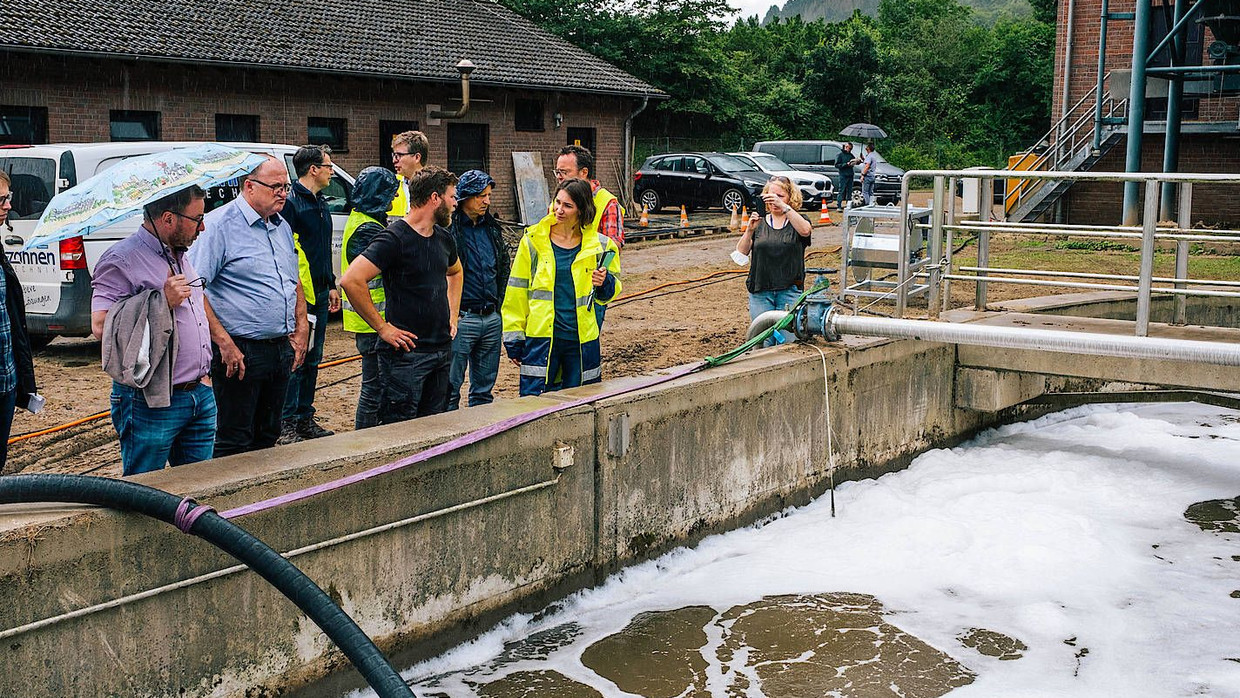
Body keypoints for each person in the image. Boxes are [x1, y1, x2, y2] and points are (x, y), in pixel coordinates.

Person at [90, 185, 216, 475]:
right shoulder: (120, 259)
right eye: (197, 219)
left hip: (198, 393)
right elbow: (101, 326)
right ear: (169, 219)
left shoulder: (179, 253)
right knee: (146, 492)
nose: (203, 227)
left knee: (201, 491)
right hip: (150, 400)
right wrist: (162, 302)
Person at [188, 157, 309, 457]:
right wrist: (224, 343)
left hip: (279, 348)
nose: (283, 193)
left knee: (269, 433)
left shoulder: (280, 225)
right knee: (233, 438)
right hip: (239, 351)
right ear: (249, 186)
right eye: (276, 186)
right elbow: (194, 290)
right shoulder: (219, 226)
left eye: (286, 186)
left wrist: (302, 324)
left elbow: (292, 278)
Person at [340, 166, 463, 424]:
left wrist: (453, 315)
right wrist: (383, 329)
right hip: (405, 356)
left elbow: (455, 272)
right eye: (452, 196)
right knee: (400, 429)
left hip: (440, 350)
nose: (455, 203)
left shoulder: (443, 238)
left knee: (435, 427)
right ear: (434, 198)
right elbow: (351, 280)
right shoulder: (394, 239)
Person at [502, 178, 621, 397]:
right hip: (542, 339)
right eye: (557, 202)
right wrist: (514, 339)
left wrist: (605, 283)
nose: (559, 210)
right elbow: (516, 293)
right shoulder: (533, 241)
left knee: (581, 402)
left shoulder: (601, 246)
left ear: (582, 210)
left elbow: (610, 294)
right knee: (535, 405)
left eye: (567, 206)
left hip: (581, 340)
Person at [279, 145, 340, 443]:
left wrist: (330, 284)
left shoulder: (321, 203)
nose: (331, 170)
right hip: (300, 295)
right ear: (313, 169)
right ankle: (286, 421)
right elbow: (288, 253)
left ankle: (305, 417)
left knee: (314, 358)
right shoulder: (292, 205)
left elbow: (321, 250)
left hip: (319, 289)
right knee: (297, 357)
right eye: (328, 165)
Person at [446, 170, 511, 410]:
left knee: (484, 391)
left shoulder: (492, 229)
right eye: (480, 196)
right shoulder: (450, 230)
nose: (487, 201)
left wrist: (498, 307)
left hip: (491, 318)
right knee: (450, 388)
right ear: (465, 197)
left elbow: (503, 267)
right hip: (463, 318)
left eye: (488, 195)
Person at [340, 167, 400, 429]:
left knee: (376, 386)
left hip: (372, 322)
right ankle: (364, 436)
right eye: (390, 195)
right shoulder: (367, 229)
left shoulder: (364, 220)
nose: (392, 201)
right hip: (373, 323)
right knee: (374, 389)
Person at [735, 175, 813, 347]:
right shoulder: (760, 222)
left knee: (788, 341)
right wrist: (749, 231)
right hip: (761, 289)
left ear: (790, 198)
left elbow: (806, 231)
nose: (775, 201)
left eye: (780, 196)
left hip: (789, 289)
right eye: (771, 196)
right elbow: (741, 253)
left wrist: (785, 208)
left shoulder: (799, 220)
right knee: (762, 340)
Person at [553, 145, 624, 328]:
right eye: (557, 172)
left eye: (564, 172)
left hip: (589, 291)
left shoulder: (606, 203)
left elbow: (612, 250)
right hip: (560, 289)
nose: (559, 177)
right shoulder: (557, 202)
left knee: (585, 346)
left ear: (584, 172)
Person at [0, 171, 39, 469]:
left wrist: (23, 382)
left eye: (8, 198)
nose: (8, 207)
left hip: (6, 381)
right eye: (1, 200)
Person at [389, 130, 429, 218]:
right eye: (394, 155)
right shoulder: (389, 185)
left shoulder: (436, 187)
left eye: (399, 155)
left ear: (417, 157)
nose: (394, 160)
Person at [834, 143, 860, 211]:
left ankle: (848, 205)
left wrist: (858, 161)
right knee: (841, 190)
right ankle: (839, 205)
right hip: (843, 175)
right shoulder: (840, 155)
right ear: (846, 147)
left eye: (851, 149)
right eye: (849, 148)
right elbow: (837, 165)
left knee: (849, 191)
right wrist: (846, 164)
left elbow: (855, 161)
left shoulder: (851, 155)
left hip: (850, 174)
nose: (850, 150)